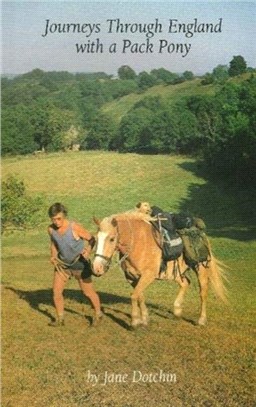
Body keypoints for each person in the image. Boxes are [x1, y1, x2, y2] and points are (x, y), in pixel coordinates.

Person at [47, 202, 103, 327]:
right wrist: (53, 256)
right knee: (56, 293)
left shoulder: (74, 227)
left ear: (64, 216)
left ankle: (98, 314)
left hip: (80, 265)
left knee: (88, 293)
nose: (56, 222)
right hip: (63, 266)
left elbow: (92, 239)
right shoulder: (51, 229)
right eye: (53, 219)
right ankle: (60, 319)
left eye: (59, 218)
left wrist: (88, 250)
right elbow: (54, 244)